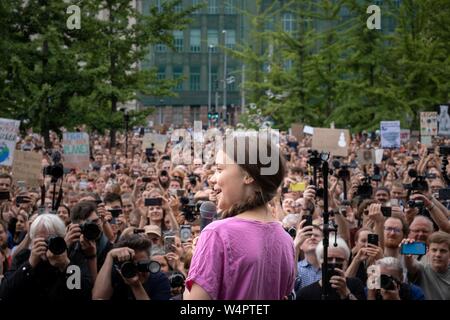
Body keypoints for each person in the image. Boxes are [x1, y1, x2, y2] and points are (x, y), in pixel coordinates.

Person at [184, 132, 295, 300]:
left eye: (220, 169)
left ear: (248, 176)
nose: (212, 178)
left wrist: (197, 264)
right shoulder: (286, 240)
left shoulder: (217, 233)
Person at [0, 214, 91, 300]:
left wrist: (66, 265)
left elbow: (83, 294)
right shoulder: (23, 256)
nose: (47, 244)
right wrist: (29, 264)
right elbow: (5, 293)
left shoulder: (72, 256)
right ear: (33, 239)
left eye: (52, 239)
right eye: (42, 239)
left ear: (62, 238)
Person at [92, 234, 171, 300]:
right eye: (131, 265)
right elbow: (98, 298)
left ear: (149, 260)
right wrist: (110, 256)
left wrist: (136, 285)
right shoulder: (116, 273)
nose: (138, 271)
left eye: (142, 264)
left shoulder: (159, 279)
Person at [296, 236, 366, 300]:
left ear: (346, 263)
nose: (333, 263)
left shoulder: (355, 285)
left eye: (339, 260)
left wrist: (346, 293)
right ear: (320, 262)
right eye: (329, 259)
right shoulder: (305, 294)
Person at [402, 231, 450, 300]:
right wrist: (407, 256)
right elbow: (412, 266)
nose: (438, 255)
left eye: (443, 251)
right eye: (434, 250)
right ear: (428, 252)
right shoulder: (422, 269)